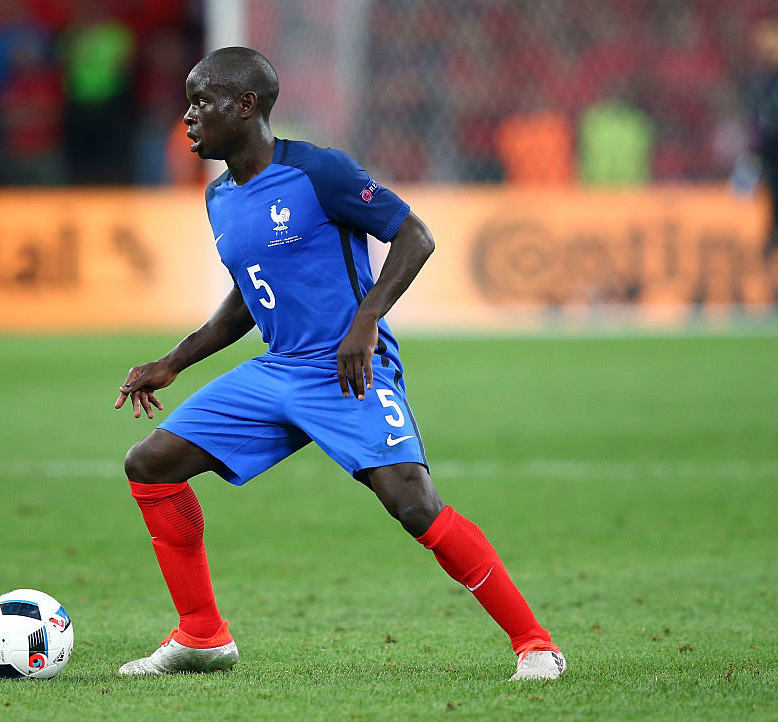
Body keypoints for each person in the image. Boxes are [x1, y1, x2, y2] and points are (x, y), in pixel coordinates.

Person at [114, 47, 566, 681]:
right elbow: (249, 297)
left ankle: (536, 643)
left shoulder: (319, 173)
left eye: (201, 101)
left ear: (246, 107)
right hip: (278, 371)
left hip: (349, 369)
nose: (188, 116)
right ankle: (201, 635)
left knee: (412, 503)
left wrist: (366, 319)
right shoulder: (220, 198)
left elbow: (416, 235)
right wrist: (174, 361)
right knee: (151, 465)